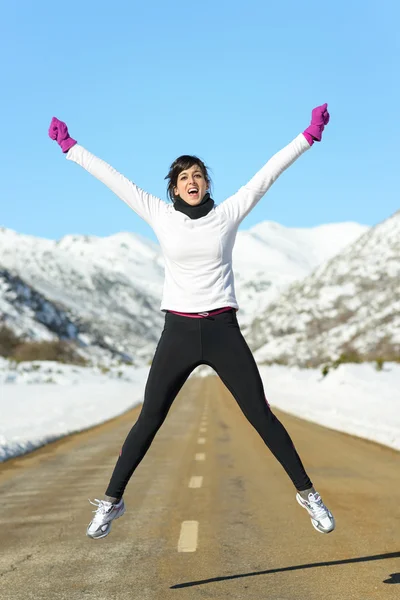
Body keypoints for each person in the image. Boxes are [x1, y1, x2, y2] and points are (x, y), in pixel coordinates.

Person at [48, 105, 335, 540]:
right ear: (174, 189)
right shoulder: (160, 215)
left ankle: (308, 493)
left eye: (198, 174)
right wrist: (71, 148)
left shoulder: (227, 214)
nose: (192, 181)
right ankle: (112, 501)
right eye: (183, 177)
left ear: (206, 183)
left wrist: (308, 135)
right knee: (149, 418)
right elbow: (114, 180)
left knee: (261, 416)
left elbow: (266, 175)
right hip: (178, 333)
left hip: (222, 330)